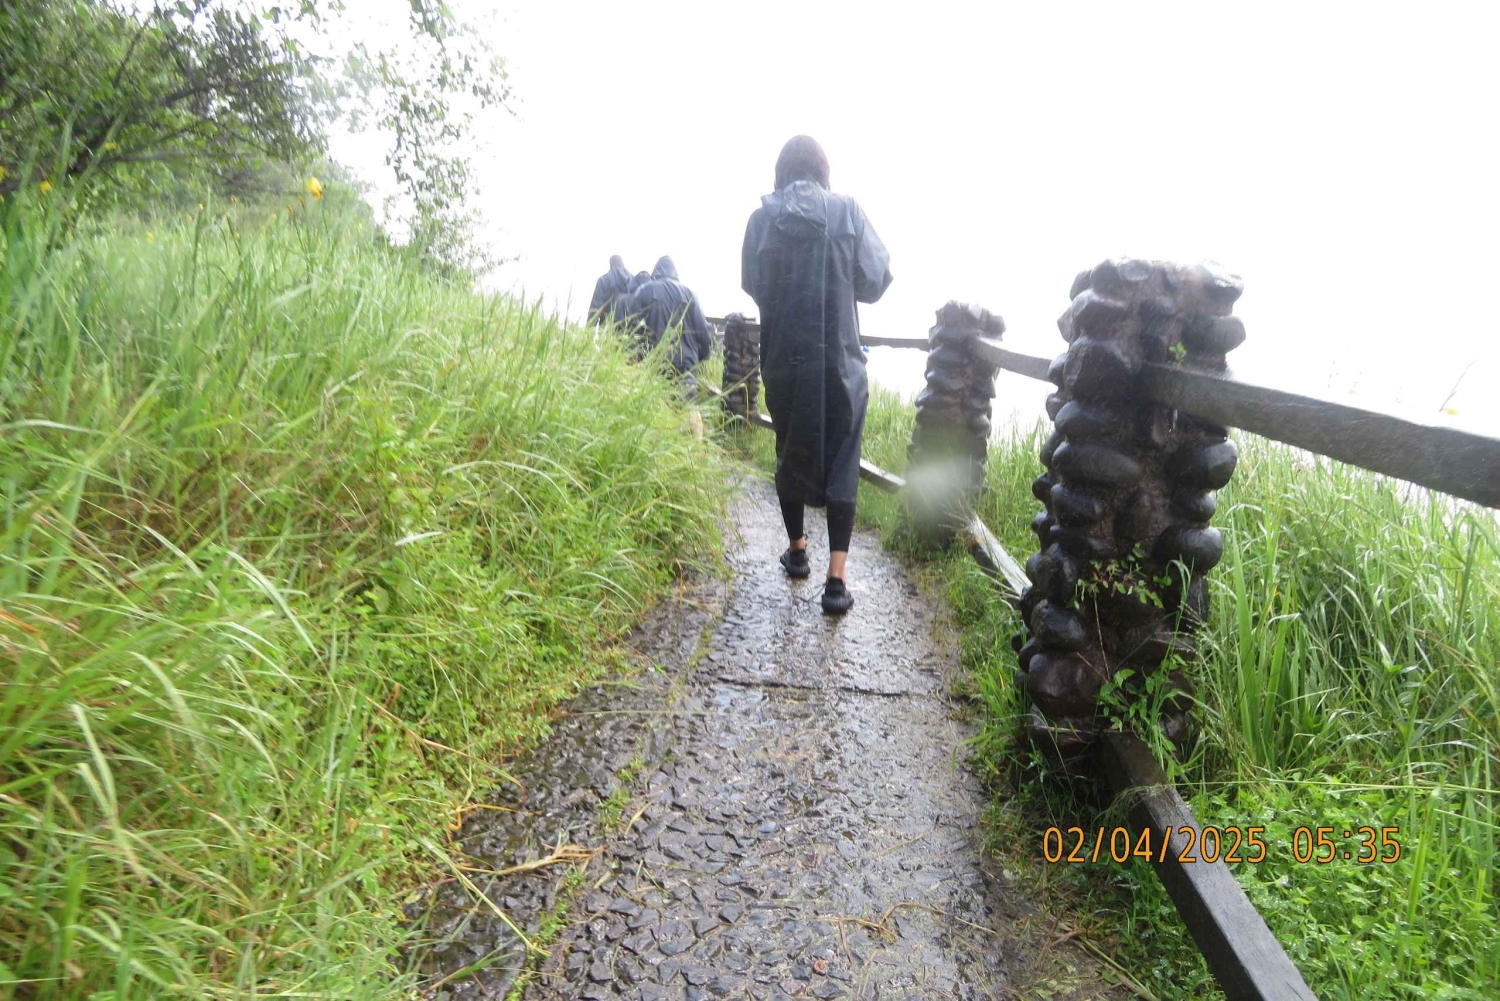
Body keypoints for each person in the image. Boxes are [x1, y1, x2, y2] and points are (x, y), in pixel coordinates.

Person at [741, 135, 893, 615]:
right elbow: (875, 280)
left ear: (782, 172)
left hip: (785, 359)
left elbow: (754, 285)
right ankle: (836, 581)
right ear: (823, 171)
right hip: (841, 361)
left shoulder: (761, 220)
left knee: (789, 445)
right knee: (844, 457)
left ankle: (798, 550)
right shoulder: (847, 212)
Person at [631, 256, 713, 389]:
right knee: (686, 406)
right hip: (687, 365)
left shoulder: (643, 290)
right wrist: (701, 356)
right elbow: (703, 332)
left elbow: (632, 331)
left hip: (655, 365)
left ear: (655, 272)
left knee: (656, 407)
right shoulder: (690, 294)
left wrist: (637, 361)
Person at [588, 255, 632, 326]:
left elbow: (595, 308)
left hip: (608, 328)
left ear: (610, 265)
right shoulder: (633, 279)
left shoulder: (603, 280)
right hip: (629, 327)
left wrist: (589, 328)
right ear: (622, 264)